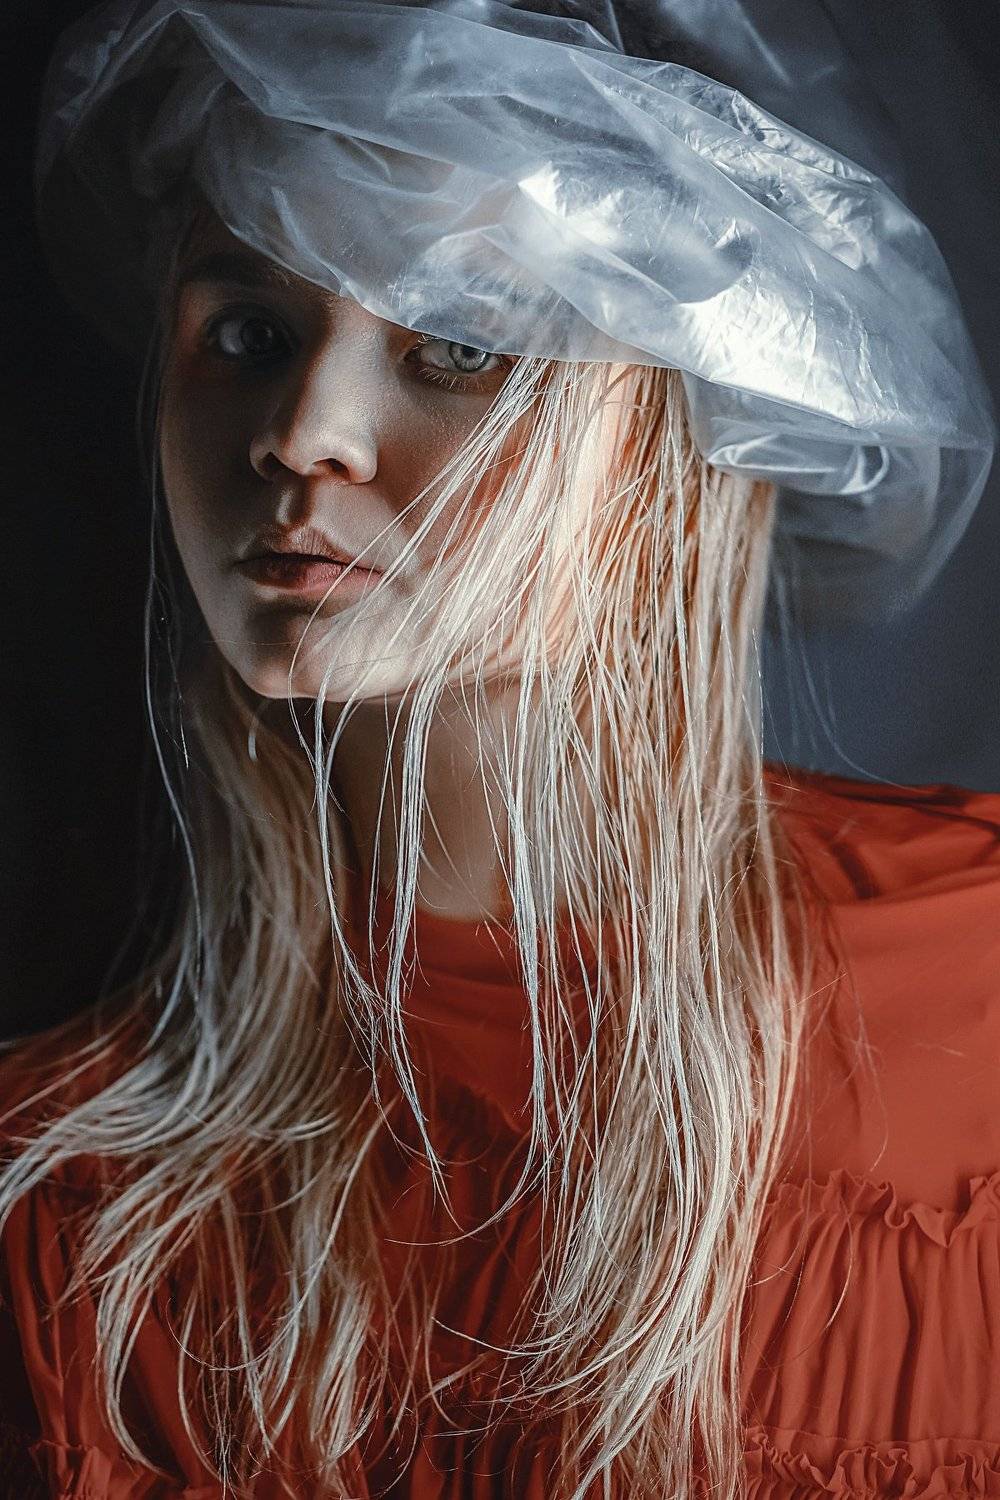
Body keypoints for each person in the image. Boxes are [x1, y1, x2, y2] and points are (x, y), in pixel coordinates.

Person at [1, 2, 997, 1496]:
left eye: (462, 343)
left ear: (687, 418)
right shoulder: (64, 1194)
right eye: (250, 336)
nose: (305, 435)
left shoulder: (978, 987)